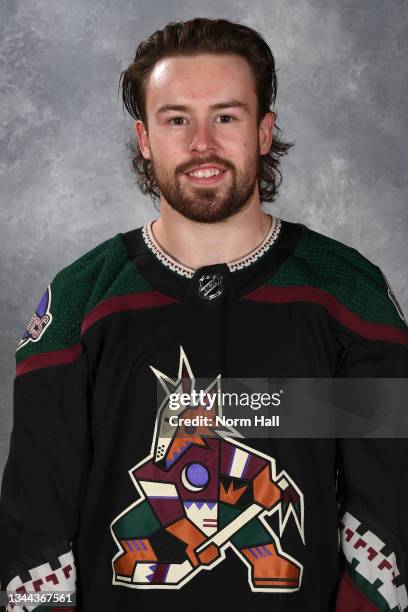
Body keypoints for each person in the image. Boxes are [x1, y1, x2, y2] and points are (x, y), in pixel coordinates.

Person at [1, 17, 407, 612]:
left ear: (264, 132)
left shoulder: (349, 292)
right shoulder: (78, 303)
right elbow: (37, 527)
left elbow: (389, 511)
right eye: (176, 119)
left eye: (226, 116)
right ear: (145, 138)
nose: (201, 144)